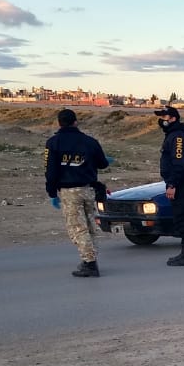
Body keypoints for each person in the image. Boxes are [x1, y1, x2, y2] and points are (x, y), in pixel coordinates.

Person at [44, 108, 110, 277]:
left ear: (59, 123)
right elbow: (103, 164)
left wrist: (52, 192)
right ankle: (90, 258)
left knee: (77, 228)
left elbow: (50, 170)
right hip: (88, 189)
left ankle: (90, 263)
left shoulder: (53, 143)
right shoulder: (90, 142)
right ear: (75, 122)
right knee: (89, 225)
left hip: (69, 191)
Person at [155, 106, 184, 266]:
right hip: (177, 182)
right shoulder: (172, 135)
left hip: (180, 183)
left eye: (164, 117)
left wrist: (172, 184)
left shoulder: (178, 137)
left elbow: (178, 164)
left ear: (173, 119)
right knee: (180, 216)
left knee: (182, 216)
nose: (162, 120)